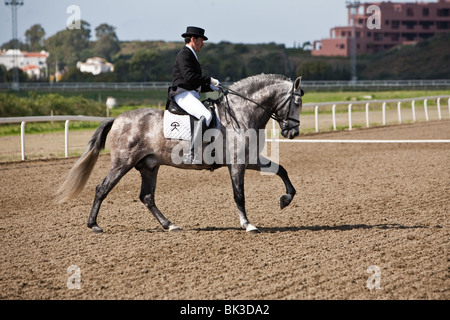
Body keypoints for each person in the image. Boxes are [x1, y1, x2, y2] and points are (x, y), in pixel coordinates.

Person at [170, 26, 220, 164]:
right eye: (201, 40)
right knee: (207, 116)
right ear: (193, 39)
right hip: (182, 94)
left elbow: (194, 83)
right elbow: (189, 77)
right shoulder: (184, 54)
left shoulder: (191, 55)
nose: (203, 44)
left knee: (212, 113)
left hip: (190, 93)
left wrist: (210, 87)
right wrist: (208, 79)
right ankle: (191, 153)